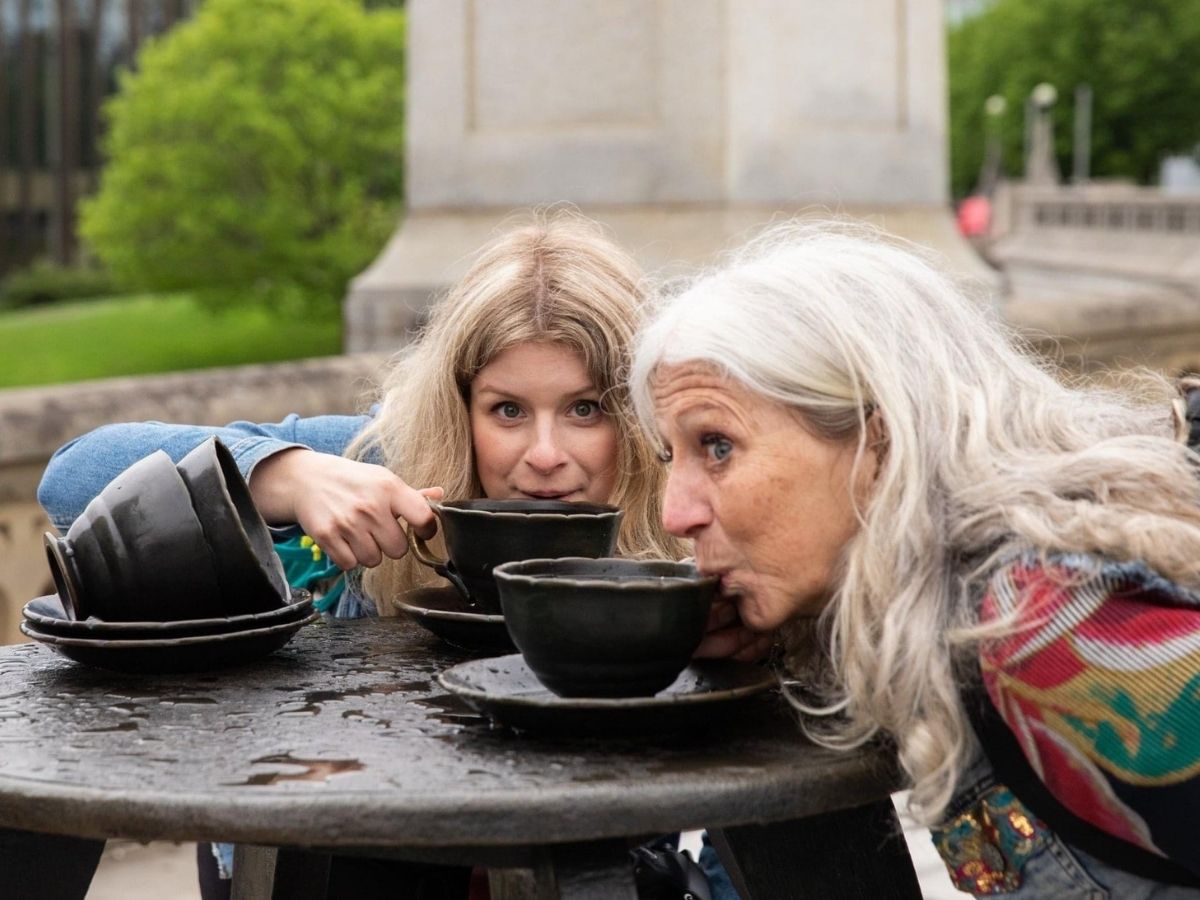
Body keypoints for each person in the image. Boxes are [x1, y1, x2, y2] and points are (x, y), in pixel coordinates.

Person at [34, 212, 728, 899]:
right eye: (508, 411)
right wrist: (286, 474)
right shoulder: (387, 458)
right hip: (335, 859)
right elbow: (68, 478)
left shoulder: (690, 513)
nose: (544, 458)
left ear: (637, 417)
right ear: (462, 411)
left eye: (584, 410)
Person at [630, 221, 1200, 898]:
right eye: (672, 456)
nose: (675, 513)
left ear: (881, 444)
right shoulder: (975, 597)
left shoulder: (1043, 626)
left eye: (717, 446)